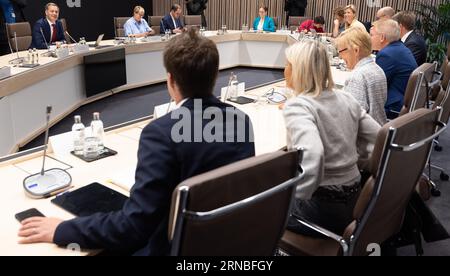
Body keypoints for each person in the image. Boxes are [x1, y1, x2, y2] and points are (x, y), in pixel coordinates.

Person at [17, 29, 256, 256]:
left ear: (170, 81)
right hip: (229, 245)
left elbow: (132, 228)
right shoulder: (241, 120)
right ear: (215, 76)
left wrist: (61, 229)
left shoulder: (160, 133)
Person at [283, 40, 380, 237]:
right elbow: (379, 136)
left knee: (257, 206)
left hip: (321, 209)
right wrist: (355, 162)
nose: (285, 69)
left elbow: (314, 154)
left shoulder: (298, 106)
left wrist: (299, 196)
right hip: (357, 202)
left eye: (288, 65)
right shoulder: (346, 98)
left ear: (298, 70)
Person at [337, 27, 388, 125]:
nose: (340, 57)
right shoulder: (377, 69)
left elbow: (351, 120)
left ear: (356, 50)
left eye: (341, 52)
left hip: (364, 138)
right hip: (378, 129)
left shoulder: (357, 77)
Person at [371, 19, 418, 118]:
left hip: (392, 107)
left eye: (372, 35)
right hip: (404, 102)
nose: (369, 38)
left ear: (382, 38)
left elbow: (374, 86)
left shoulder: (386, 54)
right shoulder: (399, 48)